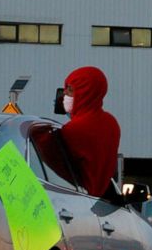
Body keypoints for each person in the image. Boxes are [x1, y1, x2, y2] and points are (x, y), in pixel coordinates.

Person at [51, 66, 121, 198]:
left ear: (85, 93)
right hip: (100, 201)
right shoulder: (111, 123)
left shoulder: (73, 129)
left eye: (70, 90)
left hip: (74, 197)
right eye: (65, 89)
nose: (65, 94)